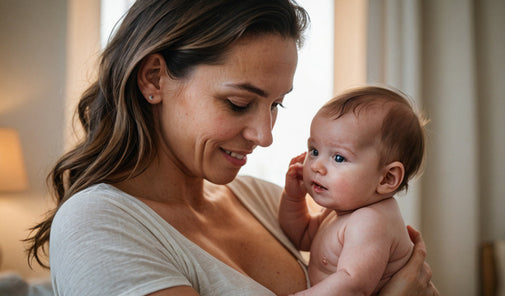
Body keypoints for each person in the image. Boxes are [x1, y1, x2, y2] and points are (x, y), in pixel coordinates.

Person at [25, 0, 438, 295]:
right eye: (238, 103)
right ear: (154, 79)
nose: (265, 135)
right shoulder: (97, 225)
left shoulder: (258, 196)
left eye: (275, 104)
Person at [279, 86, 430, 295]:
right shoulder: (340, 210)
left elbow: (353, 286)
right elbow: (301, 237)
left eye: (338, 158)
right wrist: (294, 198)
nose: (316, 166)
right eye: (314, 151)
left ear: (387, 178)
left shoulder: (371, 222)